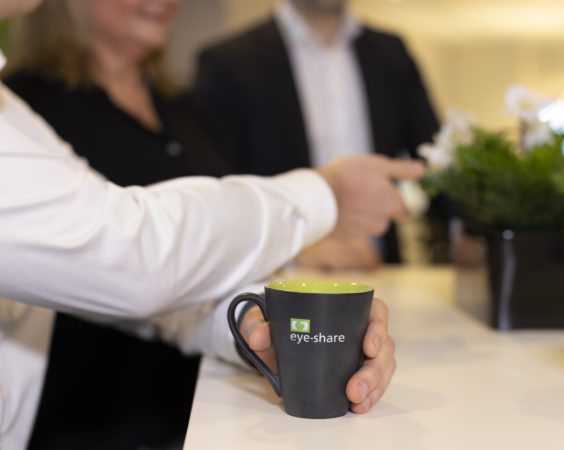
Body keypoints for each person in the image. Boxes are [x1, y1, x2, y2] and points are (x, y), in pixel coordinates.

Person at [0, 0, 407, 447]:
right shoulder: (32, 99)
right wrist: (323, 196)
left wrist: (257, 326)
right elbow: (131, 255)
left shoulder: (17, 115)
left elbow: (142, 282)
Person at [194, 0, 442, 269]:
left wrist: (467, 233)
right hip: (278, 284)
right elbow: (218, 192)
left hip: (383, 277)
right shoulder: (228, 62)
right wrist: (292, 250)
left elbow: (433, 158)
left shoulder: (392, 54)